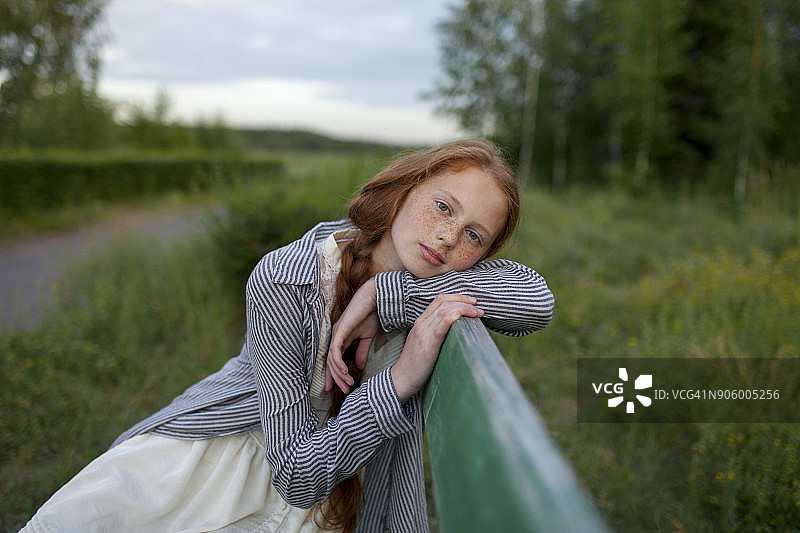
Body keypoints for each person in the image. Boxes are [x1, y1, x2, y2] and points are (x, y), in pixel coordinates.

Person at [20, 138, 554, 533]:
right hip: (225, 471)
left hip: (343, 495)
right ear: (406, 187)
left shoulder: (436, 282)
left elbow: (538, 299)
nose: (447, 236)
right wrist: (394, 383)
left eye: (473, 236)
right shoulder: (287, 277)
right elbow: (296, 473)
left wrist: (388, 295)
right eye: (443, 206)